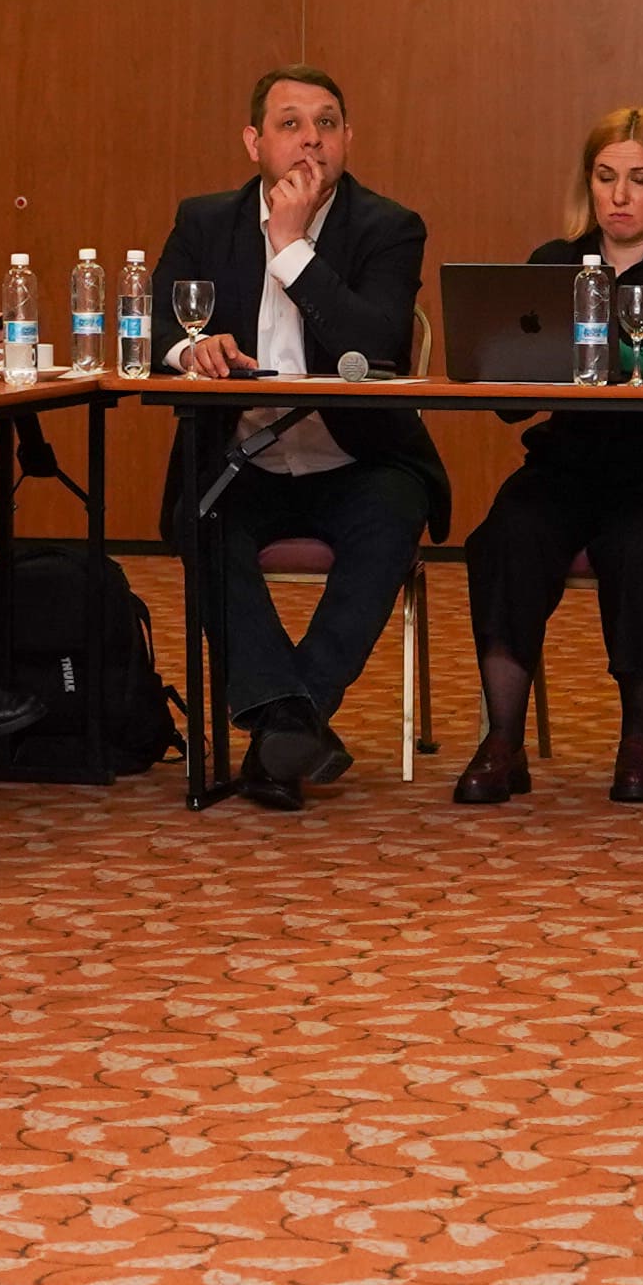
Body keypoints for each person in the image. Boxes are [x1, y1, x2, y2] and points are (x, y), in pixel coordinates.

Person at [156, 67, 437, 806]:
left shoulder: (388, 227)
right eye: (290, 124)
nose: (311, 139)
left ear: (348, 138)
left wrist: (289, 248)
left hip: (359, 458)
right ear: (254, 142)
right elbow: (153, 325)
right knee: (200, 517)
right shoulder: (204, 222)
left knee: (392, 517)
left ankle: (282, 726)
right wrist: (192, 351)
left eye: (327, 123)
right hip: (245, 458)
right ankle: (290, 725)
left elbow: (375, 348)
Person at [452, 107, 643, 806]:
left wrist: (631, 362)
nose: (619, 195)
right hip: (570, 467)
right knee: (507, 535)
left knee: (636, 547)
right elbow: (513, 401)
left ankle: (638, 742)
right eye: (605, 176)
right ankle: (502, 741)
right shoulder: (556, 263)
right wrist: (502, 362)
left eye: (638, 179)